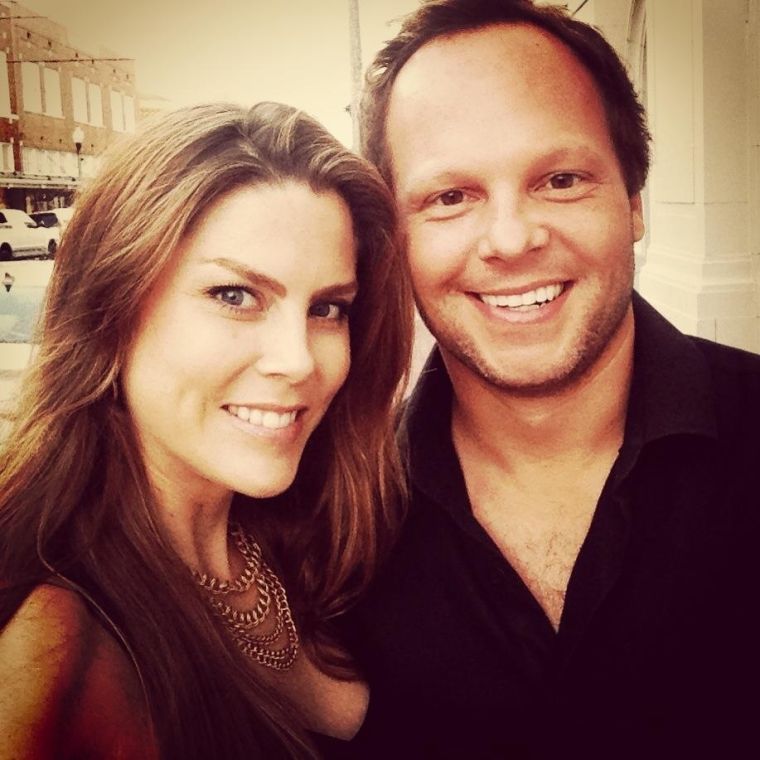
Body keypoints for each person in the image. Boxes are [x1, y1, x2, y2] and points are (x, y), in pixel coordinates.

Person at [330, 1, 760, 758]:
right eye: (450, 198)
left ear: (634, 204)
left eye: (560, 179)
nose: (511, 239)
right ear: (395, 238)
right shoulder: (336, 522)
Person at [0, 102, 413, 759]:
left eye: (328, 308)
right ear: (109, 309)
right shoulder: (50, 641)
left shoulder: (320, 541)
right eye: (234, 296)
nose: (299, 361)